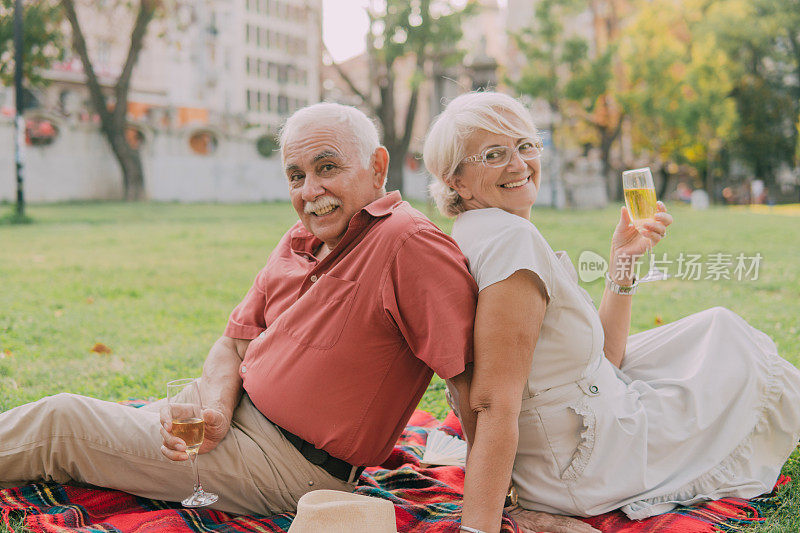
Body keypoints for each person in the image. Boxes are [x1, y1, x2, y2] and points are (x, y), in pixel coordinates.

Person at [0, 103, 479, 517]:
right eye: (296, 176)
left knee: (60, 423)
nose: (310, 190)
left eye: (327, 167)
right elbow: (232, 343)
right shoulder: (302, 238)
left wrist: (488, 507)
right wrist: (215, 411)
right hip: (225, 414)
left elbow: (476, 390)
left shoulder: (407, 244)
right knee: (78, 423)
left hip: (288, 465)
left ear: (377, 167)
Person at [423, 91, 800, 533]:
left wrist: (623, 259)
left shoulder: (480, 230)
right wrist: (483, 524)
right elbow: (492, 401)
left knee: (719, 328)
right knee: (743, 360)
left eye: (526, 145)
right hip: (584, 462)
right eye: (494, 154)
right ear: (457, 181)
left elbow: (607, 356)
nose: (519, 164)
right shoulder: (511, 244)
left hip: (570, 427)